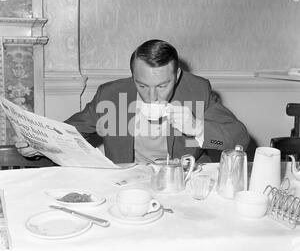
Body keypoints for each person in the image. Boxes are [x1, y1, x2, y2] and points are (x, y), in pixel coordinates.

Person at [16, 39, 249, 164]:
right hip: (125, 187)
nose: (152, 96)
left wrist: (197, 126)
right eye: (142, 86)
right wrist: (38, 145)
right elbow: (68, 133)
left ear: (177, 76)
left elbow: (240, 139)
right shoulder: (111, 95)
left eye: (162, 86)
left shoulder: (197, 90)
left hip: (179, 187)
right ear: (133, 77)